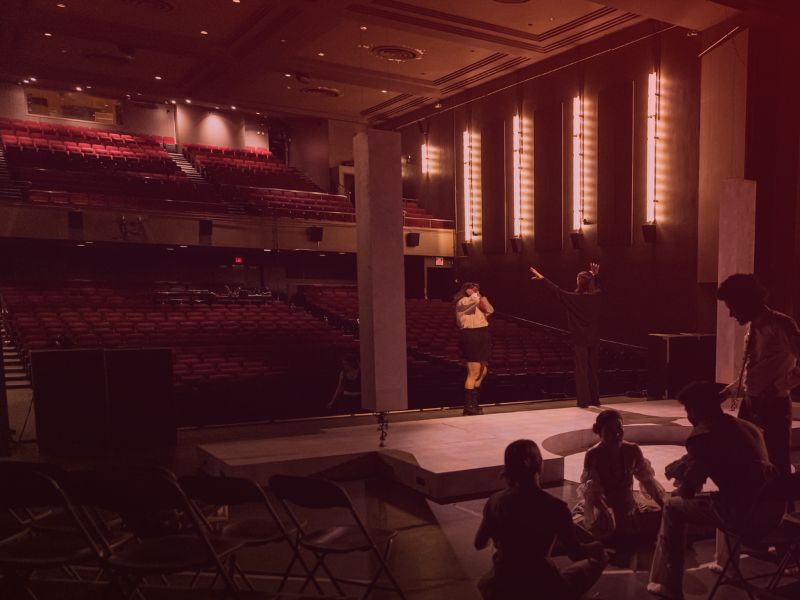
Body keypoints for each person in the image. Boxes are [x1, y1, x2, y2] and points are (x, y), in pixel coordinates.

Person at [647, 381, 782, 600]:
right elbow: (731, 460)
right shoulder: (747, 427)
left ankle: (667, 584)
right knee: (724, 497)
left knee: (673, 506)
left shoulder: (702, 436)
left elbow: (689, 491)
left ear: (693, 410)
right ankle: (726, 566)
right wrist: (687, 464)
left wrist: (682, 479)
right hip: (774, 514)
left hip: (746, 520)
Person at [475, 439, 607, 600]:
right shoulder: (555, 507)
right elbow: (575, 553)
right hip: (541, 584)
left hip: (501, 583)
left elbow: (479, 544)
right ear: (539, 464)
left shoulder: (494, 501)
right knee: (596, 561)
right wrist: (596, 547)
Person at [717, 273, 799, 476]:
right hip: (750, 404)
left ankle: (781, 498)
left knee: (776, 463)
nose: (731, 315)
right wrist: (727, 393)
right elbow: (754, 371)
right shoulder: (751, 328)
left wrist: (781, 386)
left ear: (745, 302)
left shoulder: (782, 325)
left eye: (732, 307)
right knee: (747, 461)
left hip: (774, 406)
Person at [573, 410, 665, 551]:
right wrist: (606, 511)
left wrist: (663, 506)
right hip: (604, 505)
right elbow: (592, 491)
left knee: (659, 518)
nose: (616, 434)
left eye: (619, 429)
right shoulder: (593, 454)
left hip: (628, 505)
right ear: (600, 432)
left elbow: (647, 480)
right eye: (610, 430)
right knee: (583, 528)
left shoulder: (633, 450)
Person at [529, 262, 603, 407]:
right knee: (593, 370)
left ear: (579, 283)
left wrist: (543, 279)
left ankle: (584, 401)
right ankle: (595, 399)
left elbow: (556, 290)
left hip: (580, 339)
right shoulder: (597, 297)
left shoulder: (573, 298)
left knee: (582, 371)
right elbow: (600, 288)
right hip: (594, 338)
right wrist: (595, 276)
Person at [454, 282, 494, 415]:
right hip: (471, 334)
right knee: (474, 371)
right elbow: (473, 300)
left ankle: (474, 402)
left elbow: (490, 310)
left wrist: (482, 298)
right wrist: (473, 294)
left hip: (483, 333)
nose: (475, 290)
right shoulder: (462, 302)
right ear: (466, 290)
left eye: (477, 288)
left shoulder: (477, 301)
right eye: (472, 288)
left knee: (483, 370)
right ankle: (468, 406)